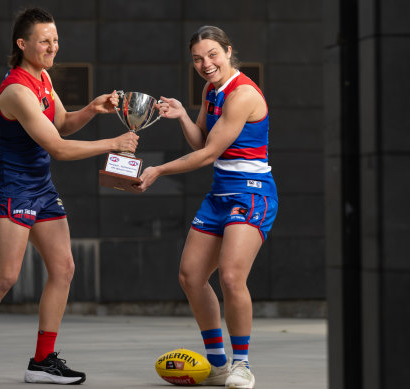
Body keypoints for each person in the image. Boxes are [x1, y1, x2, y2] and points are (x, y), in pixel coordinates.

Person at [0, 8, 138, 385]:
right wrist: (113, 143)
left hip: (41, 187)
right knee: (5, 276)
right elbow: (59, 148)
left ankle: (43, 360)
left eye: (56, 40)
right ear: (23, 43)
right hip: (11, 186)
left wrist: (91, 109)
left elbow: (62, 123)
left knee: (64, 268)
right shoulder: (16, 90)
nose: (53, 47)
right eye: (45, 41)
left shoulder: (43, 78)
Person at [135, 25, 278, 389]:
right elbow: (202, 139)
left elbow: (209, 153)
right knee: (191, 276)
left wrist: (159, 170)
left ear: (228, 51)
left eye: (212, 54)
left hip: (251, 194)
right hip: (220, 193)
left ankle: (242, 364)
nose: (205, 63)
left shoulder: (242, 93)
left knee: (231, 277)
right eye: (198, 58)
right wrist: (183, 114)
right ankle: (217, 364)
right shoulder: (211, 90)